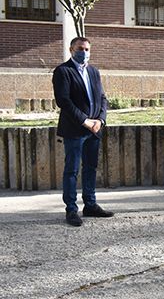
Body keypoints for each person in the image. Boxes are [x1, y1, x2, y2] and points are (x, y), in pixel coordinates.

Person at [53, 37, 114, 227]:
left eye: (87, 49)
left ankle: (90, 204)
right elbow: (63, 101)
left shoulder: (94, 72)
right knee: (71, 170)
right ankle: (71, 209)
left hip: (94, 130)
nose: (84, 52)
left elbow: (102, 98)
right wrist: (85, 121)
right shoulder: (63, 71)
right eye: (80, 48)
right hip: (75, 130)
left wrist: (100, 120)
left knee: (90, 167)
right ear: (71, 49)